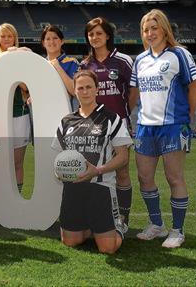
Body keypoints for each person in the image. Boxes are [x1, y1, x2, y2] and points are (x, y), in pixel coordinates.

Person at [130, 9, 196, 248]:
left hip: (172, 126)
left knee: (174, 177)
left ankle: (177, 231)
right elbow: (135, 93)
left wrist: (187, 115)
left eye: (154, 28)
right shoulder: (139, 60)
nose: (150, 33)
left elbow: (194, 87)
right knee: (144, 177)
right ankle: (156, 224)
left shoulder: (180, 54)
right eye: (145, 29)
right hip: (144, 127)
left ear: (164, 29)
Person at [53, 70, 132, 254]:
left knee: (108, 248)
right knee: (70, 242)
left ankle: (119, 224)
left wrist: (98, 170)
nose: (85, 91)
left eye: (89, 87)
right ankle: (91, 225)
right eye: (80, 88)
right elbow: (60, 155)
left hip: (101, 188)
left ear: (97, 89)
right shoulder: (66, 121)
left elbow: (123, 157)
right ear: (75, 90)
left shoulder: (112, 119)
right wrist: (58, 170)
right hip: (73, 188)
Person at [80, 17, 134, 227]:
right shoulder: (85, 64)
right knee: (91, 170)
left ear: (108, 36)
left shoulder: (122, 60)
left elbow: (133, 92)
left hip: (118, 124)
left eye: (98, 33)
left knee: (122, 171)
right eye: (91, 34)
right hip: (94, 126)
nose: (94, 37)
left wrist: (122, 114)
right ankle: (93, 215)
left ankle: (123, 216)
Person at [0, 23, 30, 193]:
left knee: (17, 162)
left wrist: (18, 56)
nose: (6, 39)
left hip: (19, 114)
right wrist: (9, 55)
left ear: (15, 37)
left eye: (9, 36)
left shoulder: (23, 55)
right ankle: (2, 197)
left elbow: (25, 87)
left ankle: (17, 196)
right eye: (3, 36)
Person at [41, 24, 79, 96]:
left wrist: (57, 66)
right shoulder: (40, 64)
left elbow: (74, 91)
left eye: (55, 38)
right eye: (48, 39)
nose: (52, 42)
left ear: (62, 41)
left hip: (66, 107)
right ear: (43, 43)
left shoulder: (72, 62)